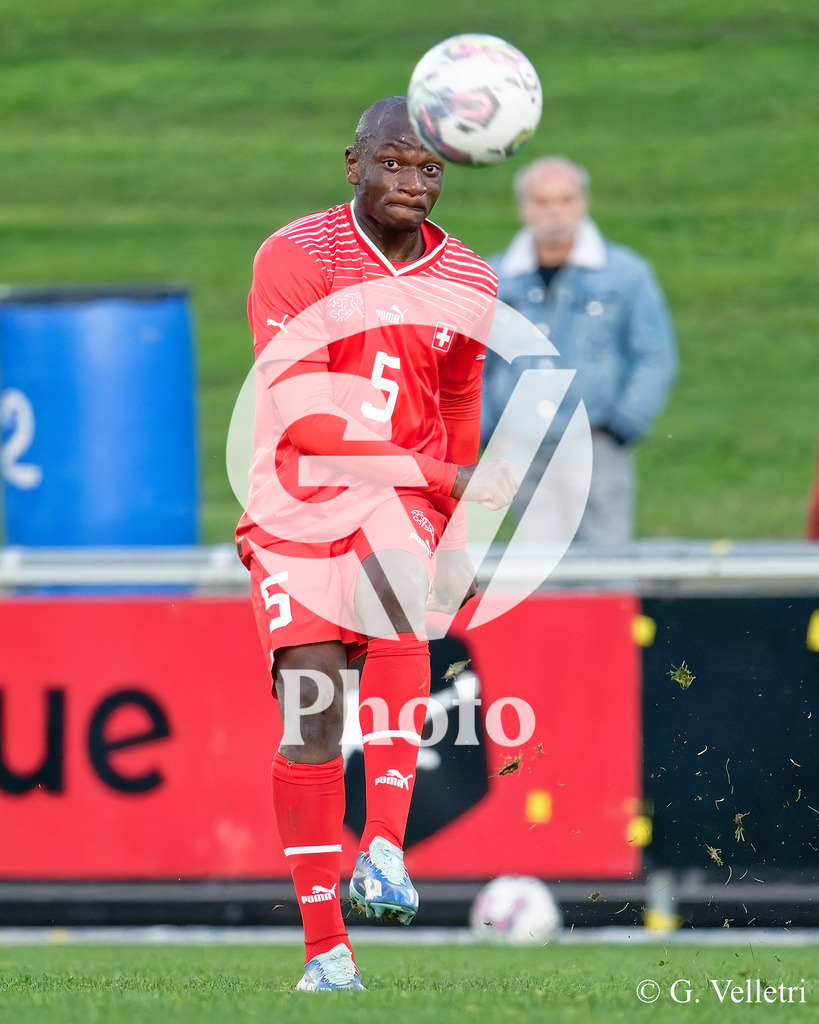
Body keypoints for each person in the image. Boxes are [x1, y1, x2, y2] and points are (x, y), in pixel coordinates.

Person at [235, 96, 517, 991]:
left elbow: (461, 396)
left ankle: (386, 849)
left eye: (429, 168)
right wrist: (447, 483)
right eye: (393, 163)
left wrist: (458, 531)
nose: (411, 183)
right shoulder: (298, 255)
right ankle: (327, 952)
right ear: (351, 163)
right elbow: (303, 417)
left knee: (399, 586)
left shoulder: (469, 277)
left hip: (398, 501)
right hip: (295, 501)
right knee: (313, 713)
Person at [480, 156, 678, 547]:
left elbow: (655, 355)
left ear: (583, 203)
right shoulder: (493, 279)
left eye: (565, 200)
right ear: (523, 207)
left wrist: (623, 425)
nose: (555, 211)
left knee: (607, 561)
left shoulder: (624, 275)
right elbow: (467, 365)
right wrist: (490, 432)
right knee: (537, 569)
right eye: (542, 201)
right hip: (522, 448)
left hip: (596, 443)